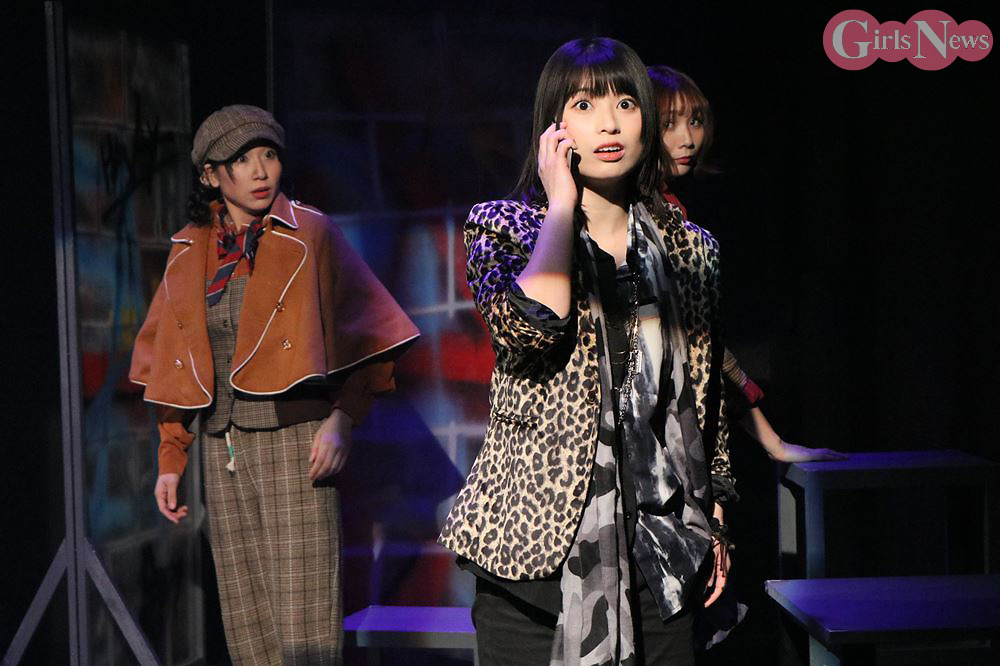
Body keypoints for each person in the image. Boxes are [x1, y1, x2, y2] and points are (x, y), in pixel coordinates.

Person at [438, 39, 735, 665]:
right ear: (554, 126)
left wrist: (713, 514)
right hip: (535, 554)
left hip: (661, 548)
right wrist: (561, 208)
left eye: (625, 104)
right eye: (584, 105)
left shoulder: (692, 251)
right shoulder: (504, 229)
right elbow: (531, 331)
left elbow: (704, 397)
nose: (608, 124)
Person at [129, 104, 419, 664]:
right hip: (223, 449)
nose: (261, 171)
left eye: (269, 155)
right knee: (247, 623)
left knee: (304, 624)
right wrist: (171, 456)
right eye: (242, 160)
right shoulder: (190, 251)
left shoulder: (309, 233)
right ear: (211, 175)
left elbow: (375, 335)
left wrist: (342, 420)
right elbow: (173, 361)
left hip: (296, 445)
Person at [647, 65, 845, 464]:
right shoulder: (634, 216)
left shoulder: (670, 212)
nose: (688, 139)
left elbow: (701, 342)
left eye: (695, 121)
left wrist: (773, 443)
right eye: (669, 124)